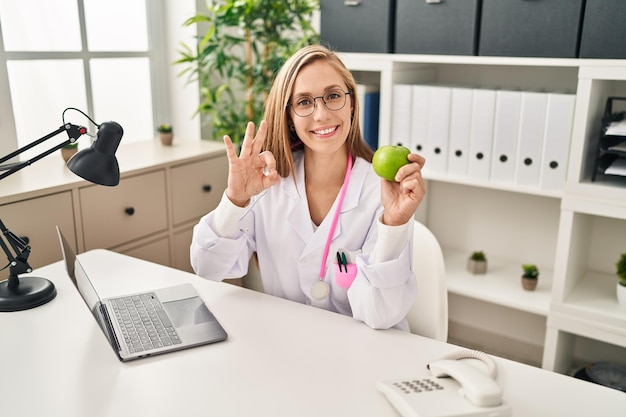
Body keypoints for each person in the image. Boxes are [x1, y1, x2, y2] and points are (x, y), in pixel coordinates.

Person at [190, 44, 426, 330]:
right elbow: (208, 267)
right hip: (290, 344)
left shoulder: (385, 192)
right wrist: (235, 200)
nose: (322, 114)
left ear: (351, 103)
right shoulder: (267, 184)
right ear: (289, 115)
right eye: (303, 102)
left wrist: (394, 223)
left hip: (364, 350)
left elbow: (381, 314)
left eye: (333, 96)